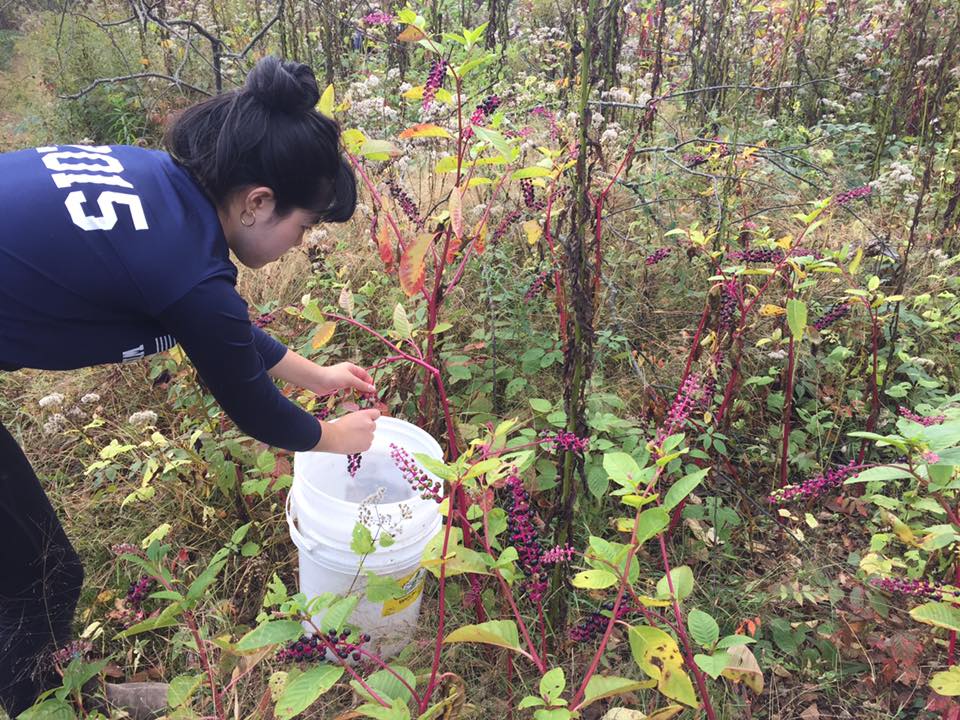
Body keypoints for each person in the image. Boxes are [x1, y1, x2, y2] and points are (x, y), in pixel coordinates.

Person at [0, 56, 380, 716]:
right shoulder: (188, 269)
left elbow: (219, 332)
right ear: (258, 201)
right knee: (38, 569)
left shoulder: (160, 186)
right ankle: (52, 704)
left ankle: (55, 693)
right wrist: (331, 435)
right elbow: (252, 404)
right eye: (305, 225)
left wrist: (315, 375)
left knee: (28, 561)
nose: (301, 242)